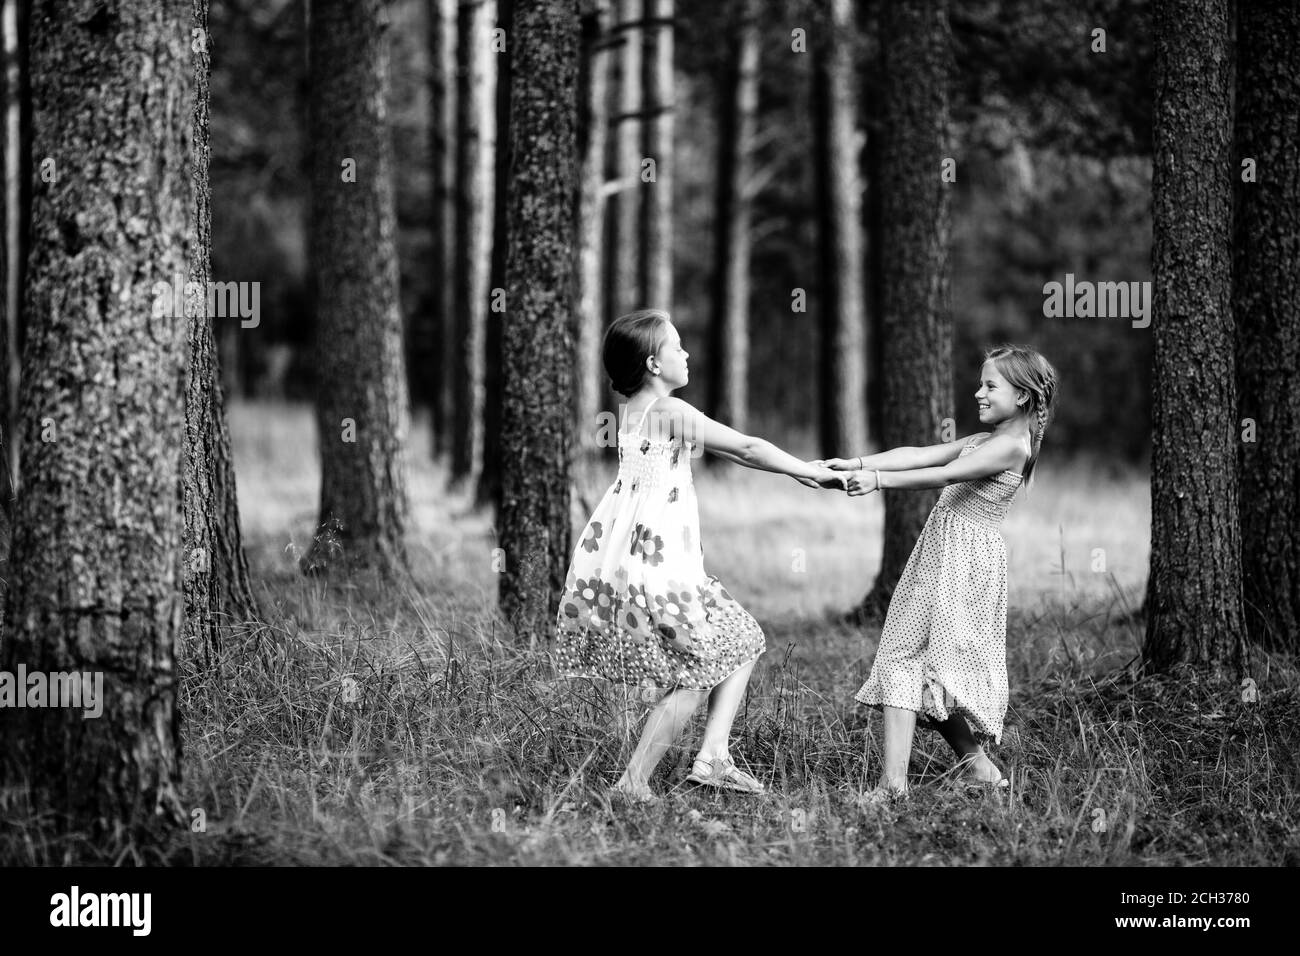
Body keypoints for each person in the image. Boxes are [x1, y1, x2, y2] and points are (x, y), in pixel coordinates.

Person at [553, 309, 845, 802]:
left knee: (742, 638)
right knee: (695, 671)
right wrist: (808, 471)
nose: (686, 354)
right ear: (652, 363)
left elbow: (732, 451)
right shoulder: (669, 411)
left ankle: (712, 757)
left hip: (658, 565)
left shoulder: (640, 413)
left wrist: (796, 468)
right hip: (661, 571)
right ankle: (632, 782)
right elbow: (748, 447)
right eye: (677, 347)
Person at [821, 344, 1058, 799]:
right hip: (942, 560)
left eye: (991, 386)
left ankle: (894, 786)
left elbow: (945, 475)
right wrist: (857, 464)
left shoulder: (1010, 447)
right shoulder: (986, 439)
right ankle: (979, 768)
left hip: (963, 569)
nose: (978, 393)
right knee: (919, 665)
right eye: (981, 383)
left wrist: (876, 482)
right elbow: (920, 454)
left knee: (906, 660)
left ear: (1024, 397)